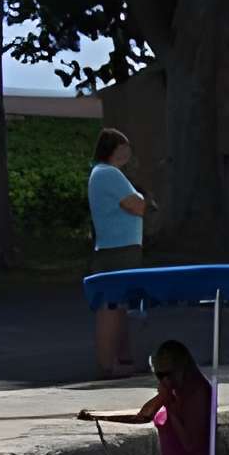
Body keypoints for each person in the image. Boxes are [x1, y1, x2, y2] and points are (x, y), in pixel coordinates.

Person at [80, 339, 215, 455]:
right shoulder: (175, 391)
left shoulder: (198, 393)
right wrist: (101, 417)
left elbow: (190, 443)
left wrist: (170, 406)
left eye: (165, 375)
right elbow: (144, 415)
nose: (162, 380)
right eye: (158, 375)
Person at [88, 127, 153, 376]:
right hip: (119, 249)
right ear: (112, 149)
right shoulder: (109, 174)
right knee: (112, 307)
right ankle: (107, 364)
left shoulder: (103, 174)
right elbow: (137, 206)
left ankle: (123, 359)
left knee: (120, 305)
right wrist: (143, 199)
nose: (127, 152)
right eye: (123, 146)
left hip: (114, 247)